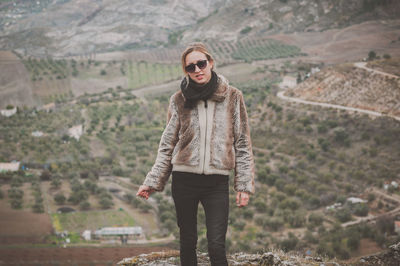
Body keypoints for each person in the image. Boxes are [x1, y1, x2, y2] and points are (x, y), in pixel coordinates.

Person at [136, 42, 255, 266]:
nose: (197, 70)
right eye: (191, 67)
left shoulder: (233, 97)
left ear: (211, 63)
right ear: (186, 71)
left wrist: (243, 185)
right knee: (187, 242)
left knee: (216, 244)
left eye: (201, 64)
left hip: (217, 183)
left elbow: (242, 143)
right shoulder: (178, 100)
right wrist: (152, 181)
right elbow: (167, 145)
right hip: (184, 180)